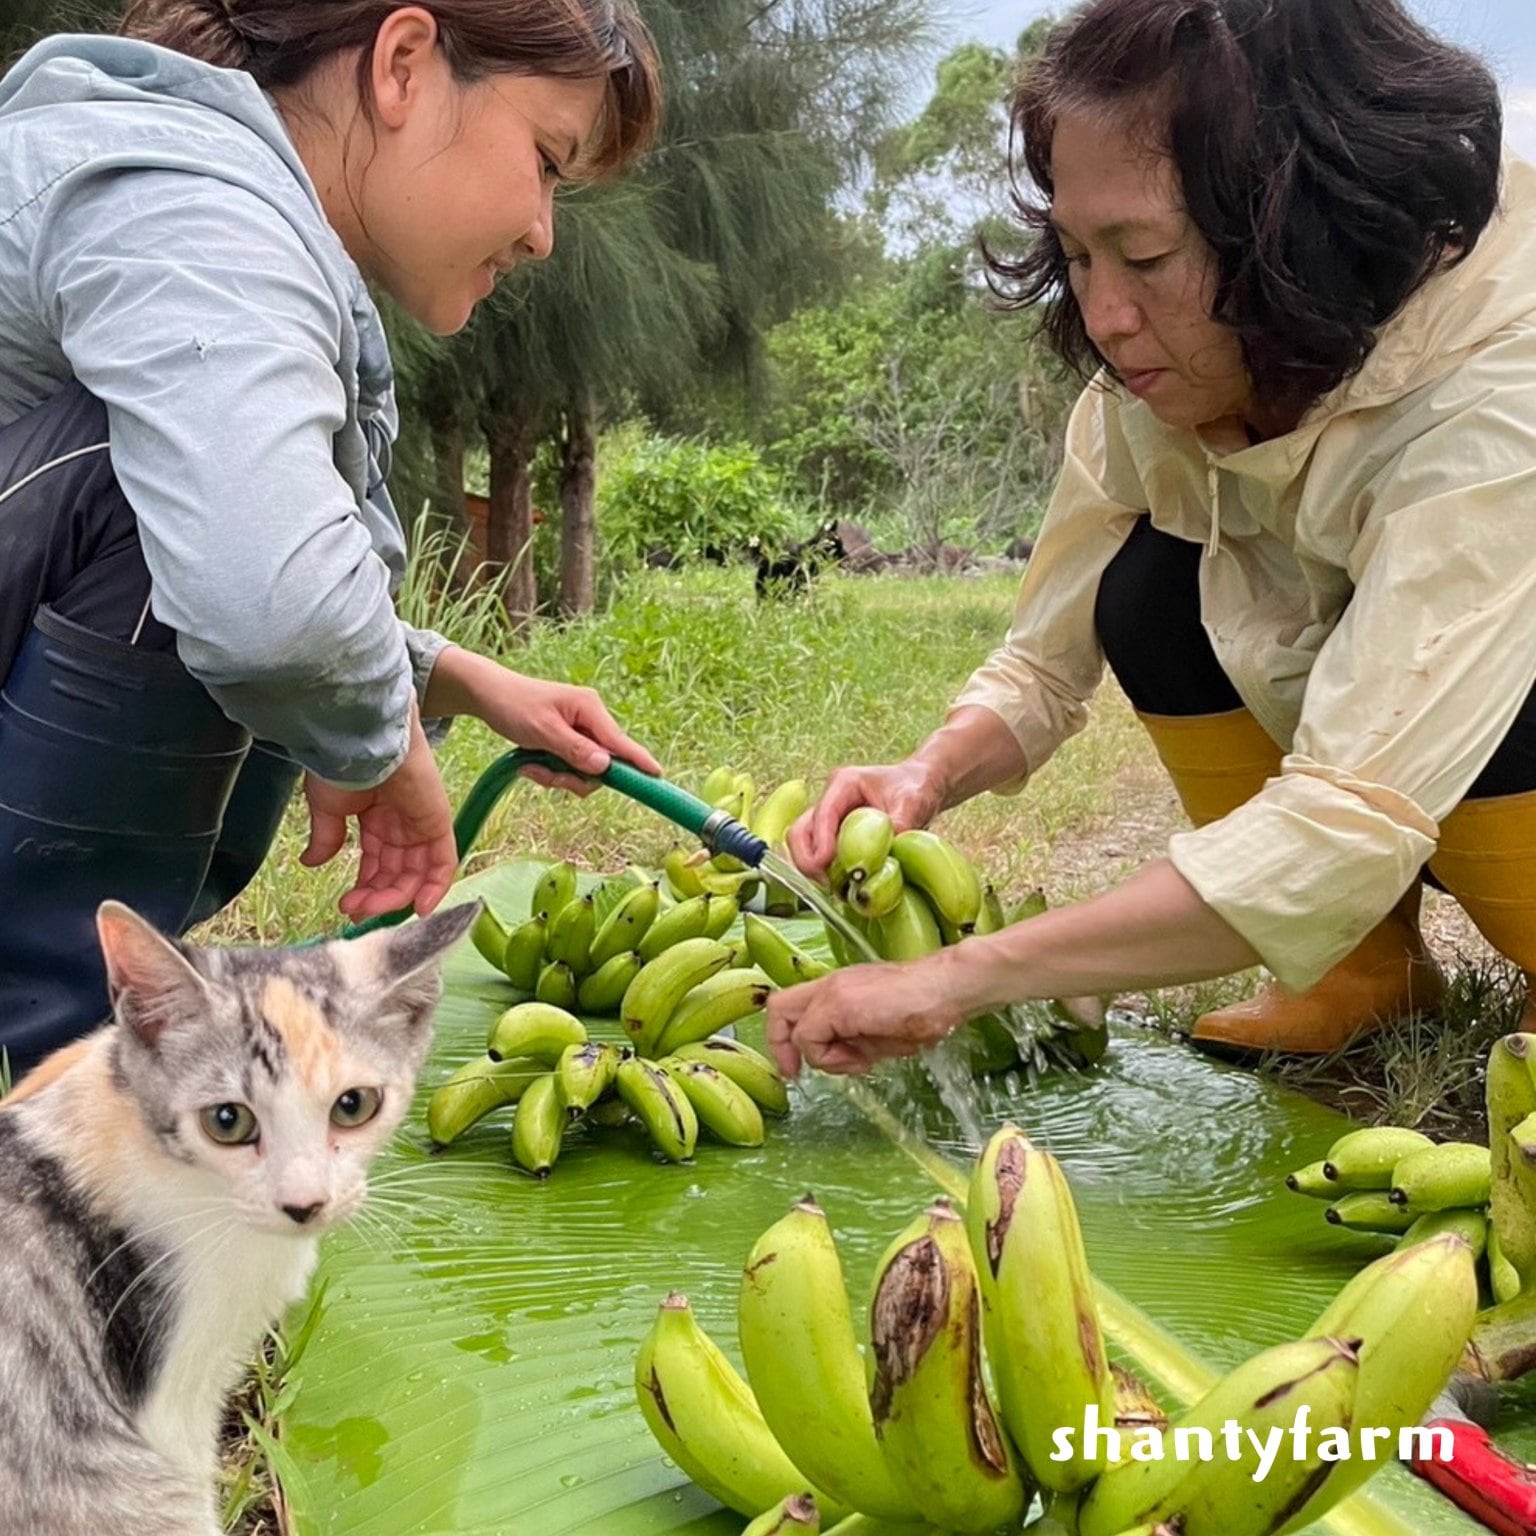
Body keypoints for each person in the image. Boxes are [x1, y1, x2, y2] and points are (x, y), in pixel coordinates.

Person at [767, 0, 1536, 1078]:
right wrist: (926, 774)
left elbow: (1350, 819)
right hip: (1379, 779)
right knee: (1147, 586)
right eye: (1079, 255)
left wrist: (959, 977)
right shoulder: (1173, 367)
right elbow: (1044, 664)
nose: (1105, 315)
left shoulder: (1497, 399)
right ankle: (1355, 969)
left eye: (1145, 255)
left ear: (1298, 227)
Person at [0, 0, 663, 1074]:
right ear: (402, 65)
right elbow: (270, 603)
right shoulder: (195, 215)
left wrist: (449, 677)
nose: (543, 233)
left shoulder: (205, 200)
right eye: (545, 161)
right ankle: (42, 1057)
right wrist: (384, 733)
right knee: (157, 491)